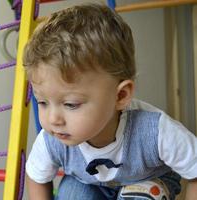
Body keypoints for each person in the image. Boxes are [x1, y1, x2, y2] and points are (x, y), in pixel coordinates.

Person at [23, 3, 197, 200]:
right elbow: (36, 176)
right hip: (87, 185)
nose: (53, 119)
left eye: (71, 104)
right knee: (72, 193)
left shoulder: (155, 131)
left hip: (147, 182)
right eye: (43, 102)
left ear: (120, 96)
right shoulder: (52, 139)